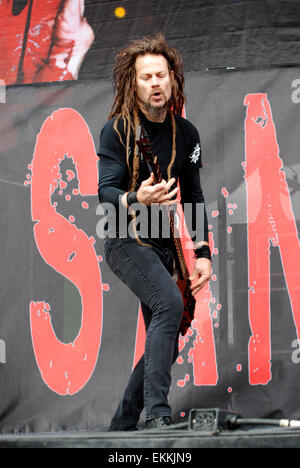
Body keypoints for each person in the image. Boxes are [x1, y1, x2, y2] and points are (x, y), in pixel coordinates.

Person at [97, 33, 212, 430]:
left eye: (160, 75)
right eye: (146, 77)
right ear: (135, 83)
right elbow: (105, 191)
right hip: (125, 238)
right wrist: (137, 198)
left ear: (173, 79)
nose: (155, 83)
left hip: (165, 247)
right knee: (168, 305)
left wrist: (202, 254)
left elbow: (194, 196)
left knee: (166, 335)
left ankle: (122, 426)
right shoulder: (117, 130)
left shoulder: (187, 134)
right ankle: (158, 415)